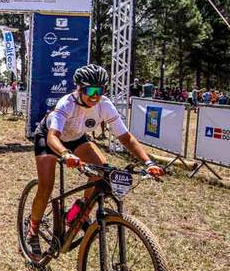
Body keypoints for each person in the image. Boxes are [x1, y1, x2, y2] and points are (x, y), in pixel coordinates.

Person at [25, 64, 164, 257]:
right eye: (90, 90)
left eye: (100, 90)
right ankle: (32, 230)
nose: (95, 96)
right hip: (50, 139)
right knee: (46, 186)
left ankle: (75, 214)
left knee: (102, 171)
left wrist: (148, 163)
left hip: (76, 138)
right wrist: (65, 154)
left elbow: (126, 138)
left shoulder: (104, 105)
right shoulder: (66, 104)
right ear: (79, 89)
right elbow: (52, 137)